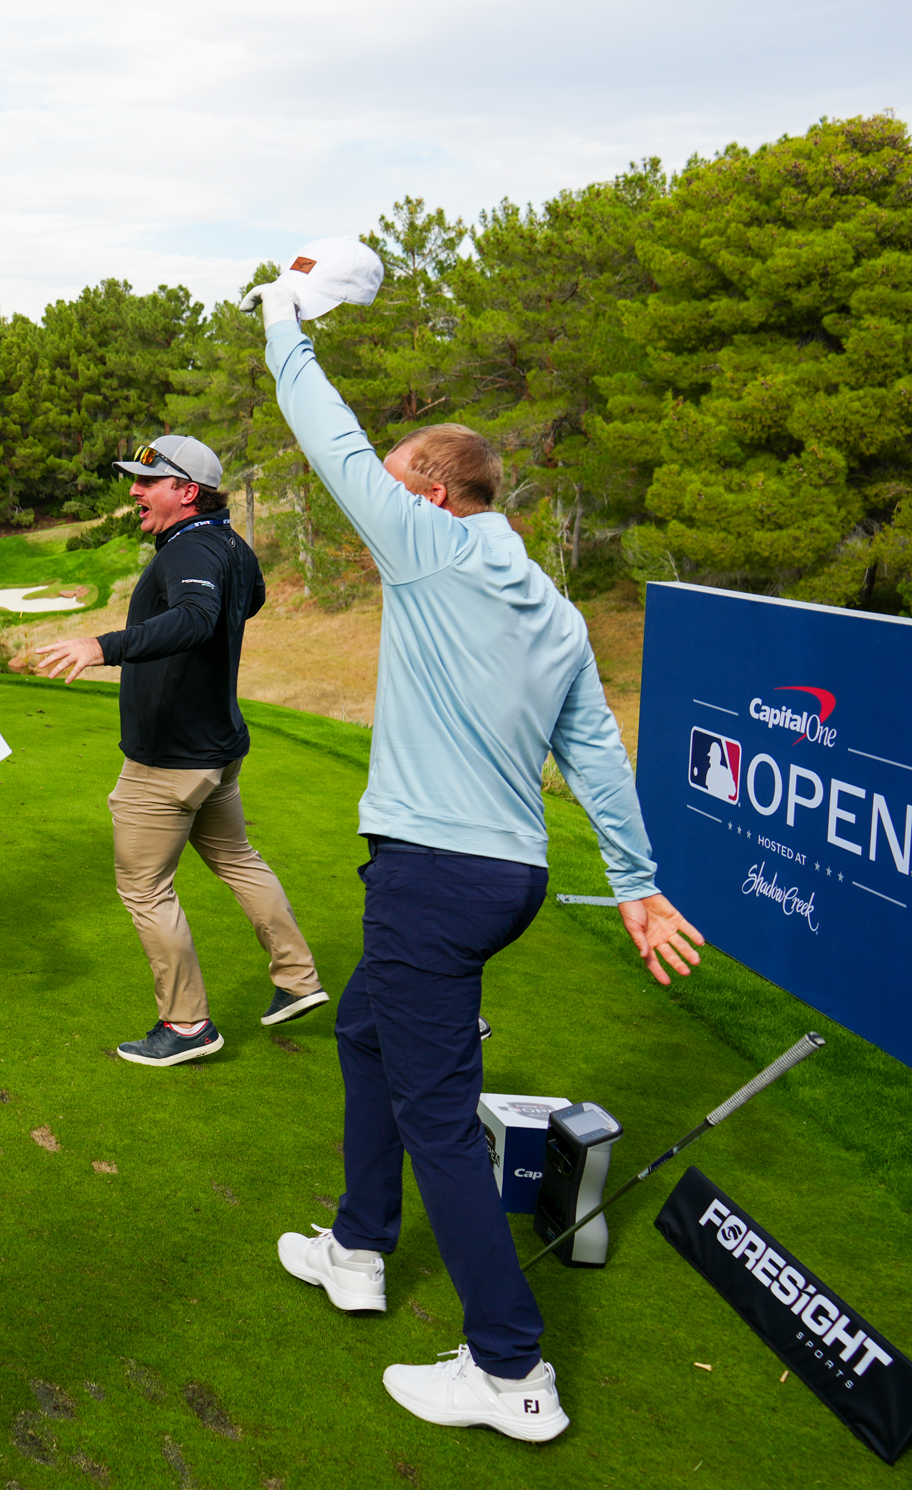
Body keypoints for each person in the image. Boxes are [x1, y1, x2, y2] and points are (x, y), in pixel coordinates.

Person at [239, 270, 705, 1442]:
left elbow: (328, 435)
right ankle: (356, 1244)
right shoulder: (554, 604)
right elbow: (596, 752)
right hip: (506, 879)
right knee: (365, 1032)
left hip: (434, 876)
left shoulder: (432, 545)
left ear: (434, 491)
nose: (380, 502)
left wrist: (280, 318)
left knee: (437, 1113)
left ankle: (509, 1370)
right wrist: (638, 884)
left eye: (400, 485)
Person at [30, 433, 324, 1067]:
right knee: (238, 858)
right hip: (218, 749)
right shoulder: (229, 546)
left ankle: (187, 1026)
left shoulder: (186, 552)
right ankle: (298, 978)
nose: (134, 491)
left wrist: (102, 646)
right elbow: (253, 600)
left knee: (144, 888)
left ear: (186, 492)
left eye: (148, 482)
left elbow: (195, 618)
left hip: (169, 762)